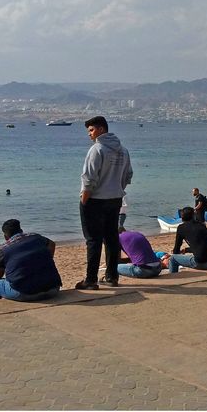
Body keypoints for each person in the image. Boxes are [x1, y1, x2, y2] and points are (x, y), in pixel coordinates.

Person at [77, 115, 133, 289]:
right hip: (115, 198)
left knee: (93, 240)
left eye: (91, 130)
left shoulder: (97, 149)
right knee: (111, 238)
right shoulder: (123, 150)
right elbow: (128, 175)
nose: (90, 134)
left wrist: (84, 199)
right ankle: (111, 276)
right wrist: (117, 187)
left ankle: (91, 280)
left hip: (95, 199)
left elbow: (89, 178)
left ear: (101, 129)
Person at [0, 219, 62, 302]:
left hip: (25, 293)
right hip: (53, 289)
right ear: (21, 231)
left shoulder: (4, 248)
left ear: (5, 236)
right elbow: (52, 244)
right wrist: (46, 258)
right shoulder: (36, 237)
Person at [165, 207, 207, 273]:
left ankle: (174, 278)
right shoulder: (202, 225)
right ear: (194, 215)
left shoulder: (181, 228)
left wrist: (173, 254)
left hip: (201, 263)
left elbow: (176, 249)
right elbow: (202, 245)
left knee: (173, 259)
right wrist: (186, 250)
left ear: (182, 217)